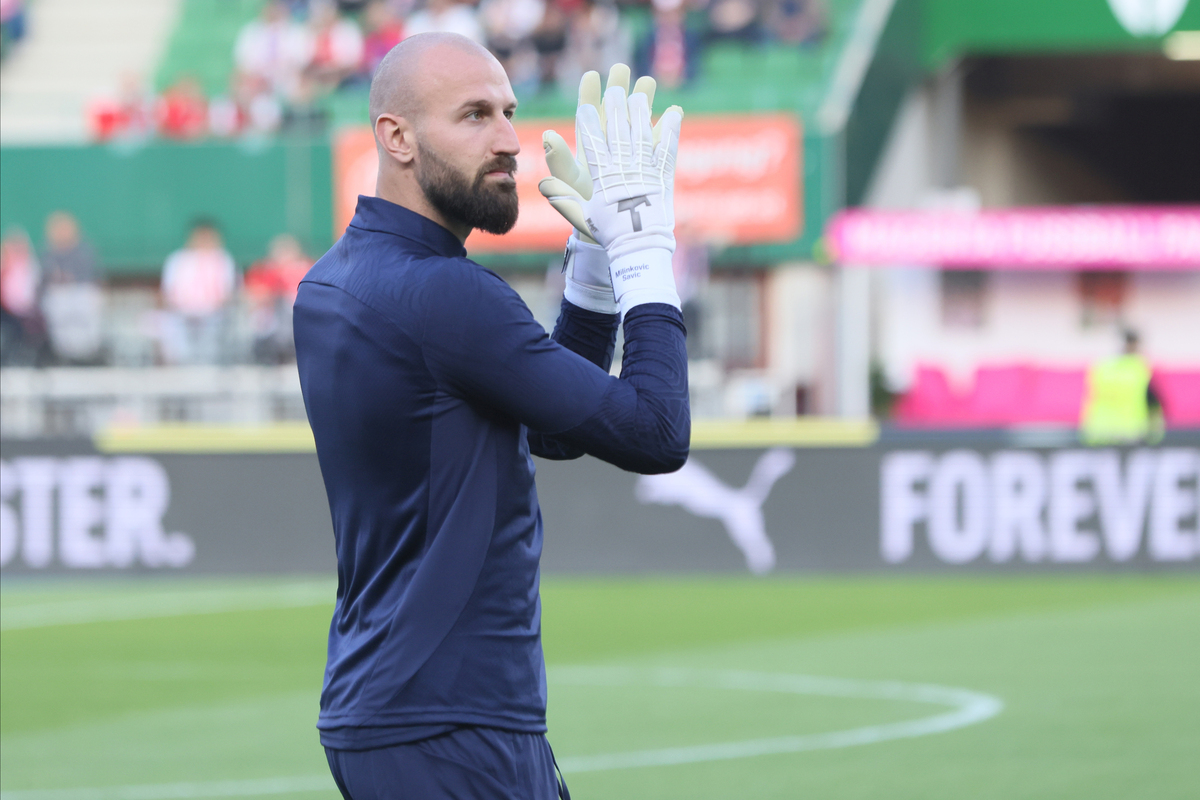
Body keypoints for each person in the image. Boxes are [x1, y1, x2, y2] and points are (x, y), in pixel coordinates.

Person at [293, 34, 687, 799]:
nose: (509, 140)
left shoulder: (334, 280)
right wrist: (645, 252)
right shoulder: (446, 295)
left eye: (507, 112)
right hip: (451, 726)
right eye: (474, 115)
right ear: (396, 136)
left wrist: (595, 277)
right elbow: (656, 431)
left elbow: (546, 427)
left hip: (399, 714)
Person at [159, 220, 237, 365]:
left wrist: (208, 308)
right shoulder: (177, 260)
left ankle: (208, 365)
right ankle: (182, 364)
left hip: (214, 313)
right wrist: (186, 308)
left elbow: (228, 291)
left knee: (217, 325)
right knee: (168, 324)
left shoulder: (223, 259)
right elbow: (169, 291)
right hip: (182, 313)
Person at [39, 211, 104, 364]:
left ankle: (89, 351)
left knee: (87, 301)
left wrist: (68, 279)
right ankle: (62, 352)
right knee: (56, 302)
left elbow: (90, 275)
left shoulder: (84, 250)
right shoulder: (48, 252)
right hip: (58, 295)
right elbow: (45, 277)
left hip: (81, 293)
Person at [1081, 328, 1164, 444]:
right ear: (1136, 344)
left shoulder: (1101, 366)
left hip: (1098, 431)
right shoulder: (1140, 368)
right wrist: (1156, 436)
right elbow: (1154, 404)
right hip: (1130, 433)